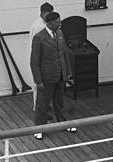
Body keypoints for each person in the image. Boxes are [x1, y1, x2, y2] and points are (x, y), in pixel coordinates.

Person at [30, 11, 75, 140]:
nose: (60, 24)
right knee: (42, 104)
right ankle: (39, 128)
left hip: (59, 76)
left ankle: (63, 123)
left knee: (59, 102)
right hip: (46, 77)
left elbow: (64, 53)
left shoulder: (60, 34)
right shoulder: (39, 37)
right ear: (49, 23)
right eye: (57, 22)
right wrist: (38, 80)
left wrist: (68, 72)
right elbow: (34, 61)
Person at [29, 2, 54, 112]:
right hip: (39, 58)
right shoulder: (39, 26)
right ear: (44, 13)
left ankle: (43, 107)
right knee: (38, 85)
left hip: (44, 58)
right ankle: (38, 108)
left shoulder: (41, 24)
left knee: (44, 86)